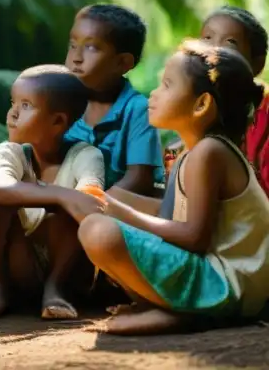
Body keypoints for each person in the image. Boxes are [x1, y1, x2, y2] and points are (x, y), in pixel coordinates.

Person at [78, 40, 269, 335]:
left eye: (167, 85)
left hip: (229, 287)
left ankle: (186, 314)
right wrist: (110, 200)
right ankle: (166, 308)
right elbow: (170, 217)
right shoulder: (188, 156)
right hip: (215, 279)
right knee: (101, 216)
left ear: (201, 104)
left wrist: (121, 212)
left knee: (99, 231)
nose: (154, 94)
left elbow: (194, 237)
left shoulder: (210, 153)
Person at [0, 65, 105, 321]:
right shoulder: (12, 152)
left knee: (72, 210)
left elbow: (89, 201)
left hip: (71, 272)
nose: (13, 113)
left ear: (58, 121)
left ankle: (56, 290)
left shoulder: (86, 156)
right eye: (13, 102)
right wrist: (60, 195)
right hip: (20, 269)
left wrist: (66, 199)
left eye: (26, 105)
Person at [163, 7, 268, 195]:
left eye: (230, 42)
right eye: (207, 38)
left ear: (257, 64)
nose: (213, 49)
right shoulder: (189, 106)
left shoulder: (263, 114)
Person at [64, 4, 163, 194]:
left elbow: (139, 178)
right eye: (73, 45)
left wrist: (94, 203)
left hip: (110, 211)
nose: (76, 57)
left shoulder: (137, 109)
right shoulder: (61, 101)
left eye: (90, 48)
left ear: (122, 63)